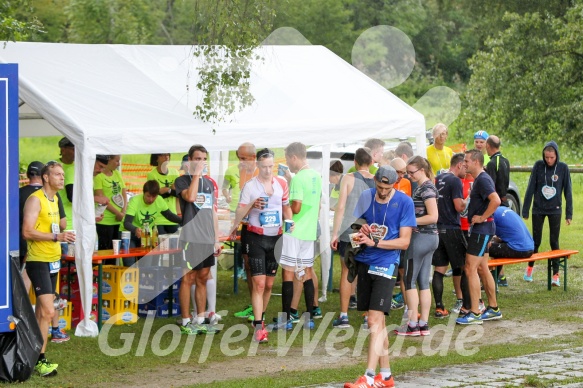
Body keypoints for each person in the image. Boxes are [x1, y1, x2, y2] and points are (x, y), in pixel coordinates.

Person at [344, 166, 415, 388]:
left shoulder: (404, 202)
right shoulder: (366, 195)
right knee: (379, 322)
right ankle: (385, 376)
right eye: (379, 186)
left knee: (373, 320)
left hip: (386, 264)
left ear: (395, 183)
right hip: (365, 262)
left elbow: (404, 242)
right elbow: (355, 225)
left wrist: (376, 242)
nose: (382, 192)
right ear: (374, 181)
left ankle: (367, 376)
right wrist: (360, 229)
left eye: (387, 188)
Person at [22, 161, 76, 376]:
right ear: (45, 177)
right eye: (57, 174)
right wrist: (57, 236)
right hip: (38, 260)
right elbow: (26, 231)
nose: (62, 178)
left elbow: (58, 226)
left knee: (42, 313)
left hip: (53, 259)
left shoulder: (56, 199)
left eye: (63, 174)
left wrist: (63, 236)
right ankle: (41, 360)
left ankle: (34, 354)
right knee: (48, 310)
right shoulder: (36, 200)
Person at [233, 148, 291, 342]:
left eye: (270, 166)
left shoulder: (281, 183)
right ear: (258, 165)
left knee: (268, 284)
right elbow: (239, 214)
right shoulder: (250, 186)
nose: (267, 170)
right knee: (258, 283)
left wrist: (289, 221)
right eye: (264, 166)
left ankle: (261, 318)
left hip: (276, 238)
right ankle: (259, 326)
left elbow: (286, 207)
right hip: (256, 237)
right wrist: (252, 205)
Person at [174, 144, 222, 335]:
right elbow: (191, 198)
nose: (201, 162)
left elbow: (213, 213)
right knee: (188, 278)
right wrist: (196, 175)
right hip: (190, 238)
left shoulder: (209, 184)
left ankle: (200, 318)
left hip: (206, 239)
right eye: (197, 159)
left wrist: (216, 239)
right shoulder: (182, 181)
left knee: (202, 277)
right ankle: (186, 321)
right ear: (190, 160)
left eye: (204, 159)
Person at [276, 142, 321, 330]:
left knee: (288, 272)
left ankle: (286, 319)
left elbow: (296, 207)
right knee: (306, 271)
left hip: (294, 230)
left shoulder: (298, 179)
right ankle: (309, 316)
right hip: (309, 231)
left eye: (287, 159)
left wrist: (282, 205)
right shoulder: (316, 175)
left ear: (294, 157)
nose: (288, 163)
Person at [456, 149, 501, 325]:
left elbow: (496, 200)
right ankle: (493, 308)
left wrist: (482, 217)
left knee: (470, 268)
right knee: (482, 268)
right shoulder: (480, 179)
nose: (464, 164)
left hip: (482, 229)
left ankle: (474, 312)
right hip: (483, 229)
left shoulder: (482, 179)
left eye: (466, 161)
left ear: (476, 162)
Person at [330, 148, 375, 328]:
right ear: (371, 163)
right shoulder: (376, 180)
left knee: (347, 271)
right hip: (367, 231)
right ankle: (367, 315)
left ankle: (344, 315)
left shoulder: (348, 179)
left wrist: (335, 233)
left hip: (350, 231)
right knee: (366, 272)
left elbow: (340, 207)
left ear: (355, 162)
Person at [396, 156, 438, 336]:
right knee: (423, 282)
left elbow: (433, 216)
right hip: (431, 239)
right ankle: (423, 324)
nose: (409, 176)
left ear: (422, 170)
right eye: (408, 172)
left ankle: (413, 324)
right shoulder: (425, 186)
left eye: (412, 172)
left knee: (409, 280)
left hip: (422, 238)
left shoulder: (426, 188)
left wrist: (410, 223)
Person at [522, 141, 572, 285]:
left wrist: (569, 214)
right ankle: (529, 269)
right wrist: (525, 209)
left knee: (554, 241)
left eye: (552, 157)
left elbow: (568, 191)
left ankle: (555, 275)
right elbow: (531, 187)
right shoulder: (538, 166)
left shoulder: (563, 168)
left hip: (555, 209)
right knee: (535, 241)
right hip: (538, 208)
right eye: (547, 157)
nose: (549, 160)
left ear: (556, 155)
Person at [226, 143, 260, 320]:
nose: (240, 162)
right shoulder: (240, 173)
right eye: (238, 158)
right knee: (247, 265)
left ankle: (259, 310)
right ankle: (253, 304)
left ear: (253, 158)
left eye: (243, 158)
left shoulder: (262, 174)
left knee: (257, 269)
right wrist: (236, 224)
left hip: (259, 229)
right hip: (245, 226)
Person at [431, 153, 468, 319]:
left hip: (436, 229)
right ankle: (465, 304)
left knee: (439, 270)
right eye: (465, 166)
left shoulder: (438, 178)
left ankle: (439, 307)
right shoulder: (455, 181)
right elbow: (459, 206)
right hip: (452, 229)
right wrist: (469, 199)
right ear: (459, 165)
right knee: (463, 268)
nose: (466, 170)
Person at [123, 180, 182, 266]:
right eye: (148, 196)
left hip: (146, 235)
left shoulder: (159, 200)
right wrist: (135, 229)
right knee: (130, 264)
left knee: (146, 265)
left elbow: (170, 216)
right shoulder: (135, 201)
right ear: (143, 193)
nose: (151, 199)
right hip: (129, 234)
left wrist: (184, 220)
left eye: (154, 196)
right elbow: (127, 223)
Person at [485, 135, 511, 286]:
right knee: (500, 237)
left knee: (493, 239)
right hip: (505, 201)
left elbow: (490, 185)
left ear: (489, 146)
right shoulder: (506, 161)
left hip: (496, 204)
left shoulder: (492, 163)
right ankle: (501, 275)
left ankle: (496, 275)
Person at [94, 155, 127, 256]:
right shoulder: (99, 177)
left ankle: (112, 271)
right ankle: (102, 271)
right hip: (105, 220)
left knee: (115, 252)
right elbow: (101, 198)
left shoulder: (117, 174)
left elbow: (124, 193)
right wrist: (117, 212)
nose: (119, 164)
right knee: (105, 251)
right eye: (117, 161)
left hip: (118, 220)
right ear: (109, 161)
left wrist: (123, 212)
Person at [147, 153, 181, 235]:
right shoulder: (152, 175)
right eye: (163, 155)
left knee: (176, 245)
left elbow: (179, 194)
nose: (166, 157)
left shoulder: (175, 172)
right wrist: (171, 190)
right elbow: (153, 196)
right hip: (157, 218)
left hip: (172, 216)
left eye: (168, 155)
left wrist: (166, 190)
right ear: (156, 158)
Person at [57, 137, 75, 231]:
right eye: (73, 149)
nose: (76, 152)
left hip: (75, 216)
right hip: (60, 214)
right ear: (63, 150)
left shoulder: (80, 166)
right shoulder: (53, 166)